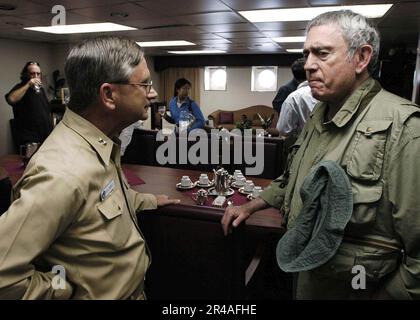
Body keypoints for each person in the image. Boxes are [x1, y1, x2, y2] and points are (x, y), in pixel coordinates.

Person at [222, 10, 420, 299]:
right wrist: (251, 206)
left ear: (361, 58)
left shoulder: (404, 127)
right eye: (307, 55)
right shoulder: (320, 114)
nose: (309, 66)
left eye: (322, 54)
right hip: (309, 278)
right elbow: (293, 178)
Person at [0, 36, 180, 299]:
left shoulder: (99, 141)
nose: (152, 93)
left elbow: (99, 200)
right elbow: (4, 275)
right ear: (109, 94)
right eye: (144, 84)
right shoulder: (63, 173)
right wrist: (67, 291)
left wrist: (147, 200)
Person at [5, 61, 53, 148]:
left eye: (38, 74)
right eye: (32, 74)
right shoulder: (21, 87)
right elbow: (11, 99)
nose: (35, 76)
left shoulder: (40, 90)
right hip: (30, 140)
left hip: (45, 138)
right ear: (25, 75)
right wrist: (28, 84)